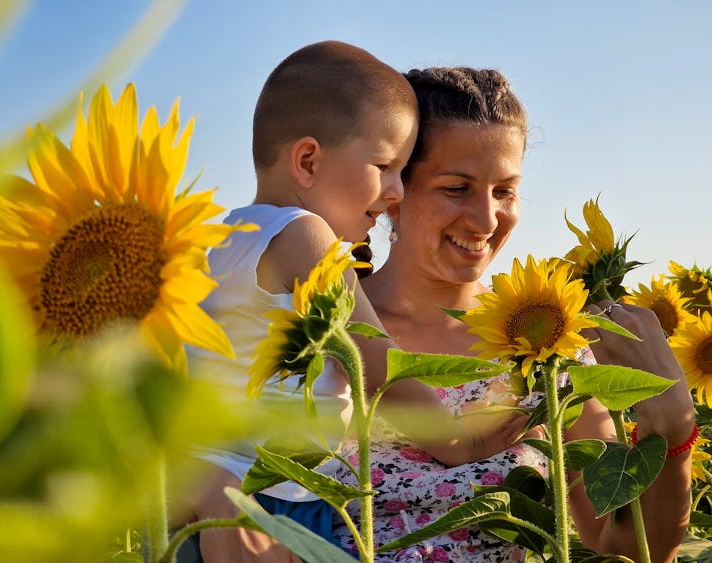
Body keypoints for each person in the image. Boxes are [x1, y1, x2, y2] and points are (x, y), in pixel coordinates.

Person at [182, 42, 529, 563]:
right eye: (385, 166)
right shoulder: (307, 237)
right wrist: (461, 443)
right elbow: (377, 364)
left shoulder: (221, 237)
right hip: (272, 501)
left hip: (209, 485)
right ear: (307, 161)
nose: (395, 192)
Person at [332, 66, 695, 562]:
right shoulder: (323, 331)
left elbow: (623, 549)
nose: (486, 219)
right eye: (455, 188)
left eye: (504, 191)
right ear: (394, 193)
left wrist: (673, 432)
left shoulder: (551, 351)